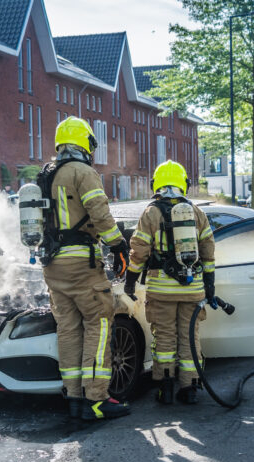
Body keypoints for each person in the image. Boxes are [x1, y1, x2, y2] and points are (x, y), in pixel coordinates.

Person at [39, 116, 131, 420]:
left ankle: (75, 397)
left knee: (67, 329)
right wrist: (119, 246)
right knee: (100, 324)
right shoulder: (83, 172)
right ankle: (96, 399)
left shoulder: (46, 175)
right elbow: (101, 214)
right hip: (81, 264)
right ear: (84, 143)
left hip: (53, 266)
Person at [123, 160, 215, 405]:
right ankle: (190, 388)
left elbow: (139, 250)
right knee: (189, 337)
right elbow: (208, 249)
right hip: (192, 289)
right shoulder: (196, 212)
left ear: (157, 184)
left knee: (163, 338)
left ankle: (165, 388)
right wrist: (209, 283)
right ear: (182, 183)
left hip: (161, 289)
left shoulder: (151, 212)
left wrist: (130, 280)